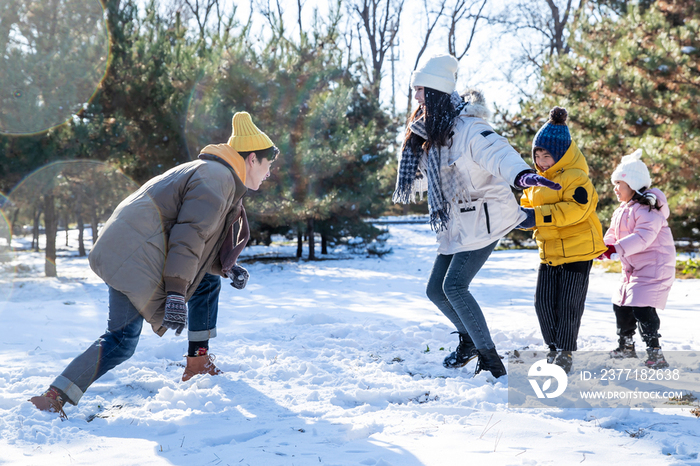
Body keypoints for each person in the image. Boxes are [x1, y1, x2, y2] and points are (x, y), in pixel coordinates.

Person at [29, 112, 278, 418]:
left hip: (136, 249)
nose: (269, 174)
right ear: (252, 159)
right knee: (122, 340)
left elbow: (199, 245)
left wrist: (226, 267)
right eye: (268, 166)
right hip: (132, 254)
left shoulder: (219, 175)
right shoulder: (217, 179)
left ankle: (197, 364)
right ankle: (53, 397)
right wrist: (175, 292)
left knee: (207, 283)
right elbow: (188, 237)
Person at [393, 54, 561, 378]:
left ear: (437, 92)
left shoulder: (471, 128)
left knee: (454, 286)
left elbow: (497, 153)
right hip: (459, 221)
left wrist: (522, 175)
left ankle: (492, 362)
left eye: (421, 90)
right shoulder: (434, 132)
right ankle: (469, 340)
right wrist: (411, 167)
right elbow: (433, 178)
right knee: (435, 290)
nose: (415, 97)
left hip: (487, 217)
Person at [518, 107, 607, 373]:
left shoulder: (576, 177)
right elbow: (526, 208)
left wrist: (537, 217)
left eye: (548, 155)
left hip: (578, 251)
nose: (542, 161)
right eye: (538, 155)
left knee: (568, 304)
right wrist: (518, 217)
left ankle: (565, 352)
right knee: (543, 303)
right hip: (550, 252)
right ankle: (553, 347)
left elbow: (576, 209)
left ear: (562, 154)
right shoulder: (535, 182)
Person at [599, 149, 675, 369]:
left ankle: (655, 352)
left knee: (642, 308)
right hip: (633, 268)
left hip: (654, 266)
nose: (614, 188)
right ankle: (626, 345)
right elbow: (613, 233)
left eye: (618, 184)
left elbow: (643, 237)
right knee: (620, 305)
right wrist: (604, 248)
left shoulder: (649, 209)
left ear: (632, 185)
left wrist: (616, 249)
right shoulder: (622, 210)